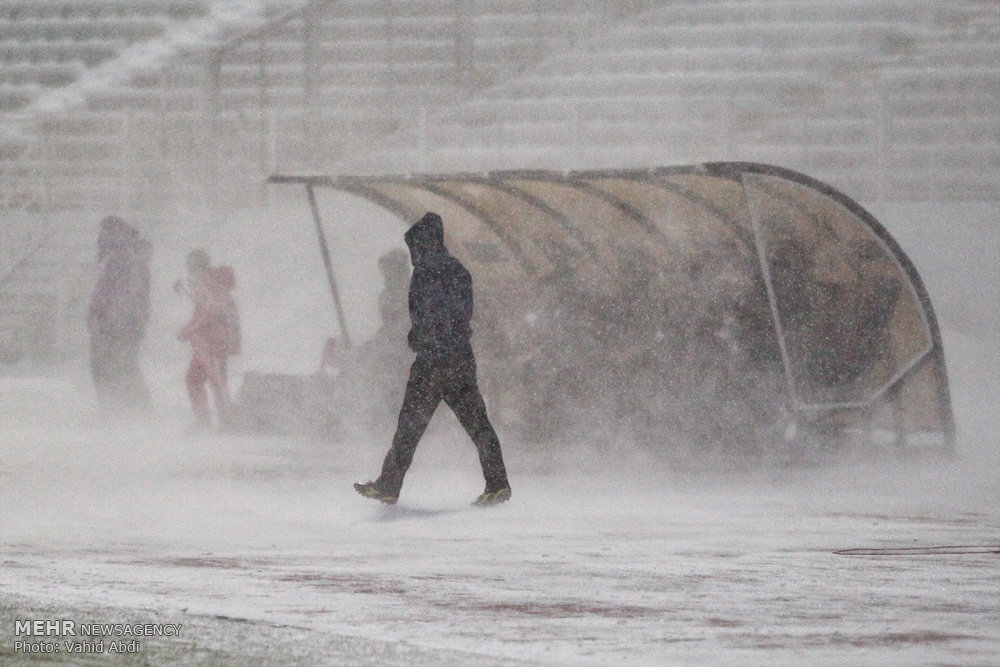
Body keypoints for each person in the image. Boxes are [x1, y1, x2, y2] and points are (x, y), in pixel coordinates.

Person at [355, 212, 511, 506]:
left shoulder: (426, 272)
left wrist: (418, 338)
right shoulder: (459, 270)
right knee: (478, 424)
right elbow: (463, 314)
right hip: (461, 358)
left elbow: (425, 315)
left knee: (409, 427)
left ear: (422, 243)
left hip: (431, 361)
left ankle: (389, 485)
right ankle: (498, 484)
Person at [87, 216, 151, 411]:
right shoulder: (132, 256)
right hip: (126, 324)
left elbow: (104, 293)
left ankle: (115, 409)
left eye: (104, 232)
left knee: (106, 367)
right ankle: (135, 408)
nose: (100, 237)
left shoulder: (119, 258)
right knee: (125, 366)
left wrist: (96, 317)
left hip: (113, 324)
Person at [177, 249, 240, 431]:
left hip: (212, 342)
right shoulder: (208, 284)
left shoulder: (208, 284)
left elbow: (210, 312)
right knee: (201, 380)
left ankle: (221, 422)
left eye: (191, 266)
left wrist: (189, 330)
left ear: (197, 266)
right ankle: (214, 421)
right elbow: (205, 310)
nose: (189, 270)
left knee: (212, 381)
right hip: (211, 342)